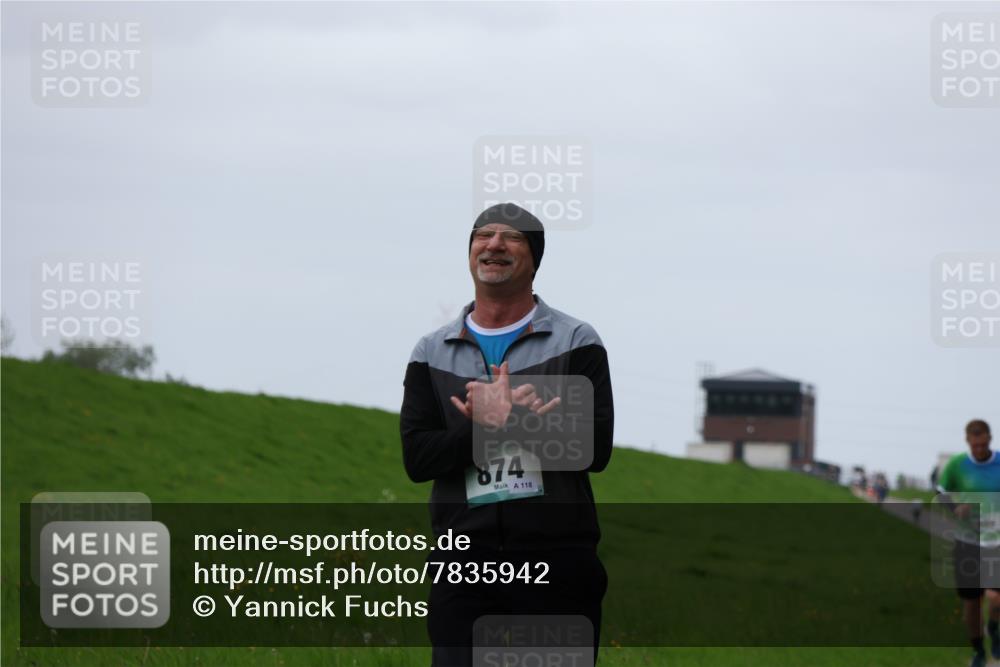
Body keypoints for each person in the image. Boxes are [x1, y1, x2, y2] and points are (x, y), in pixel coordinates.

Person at [400, 202, 614, 666]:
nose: (494, 244)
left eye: (511, 237)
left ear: (533, 257)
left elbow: (593, 449)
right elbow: (418, 459)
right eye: (483, 234)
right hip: (463, 563)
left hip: (556, 561)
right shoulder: (430, 352)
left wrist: (515, 420)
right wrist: (483, 424)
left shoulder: (576, 341)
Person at [937, 419, 1000, 667]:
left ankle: (994, 629)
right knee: (971, 602)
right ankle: (978, 651)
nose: (979, 450)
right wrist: (955, 508)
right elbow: (941, 493)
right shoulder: (957, 465)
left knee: (995, 598)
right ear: (968, 442)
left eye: (983, 444)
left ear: (989, 439)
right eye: (975, 446)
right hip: (967, 541)